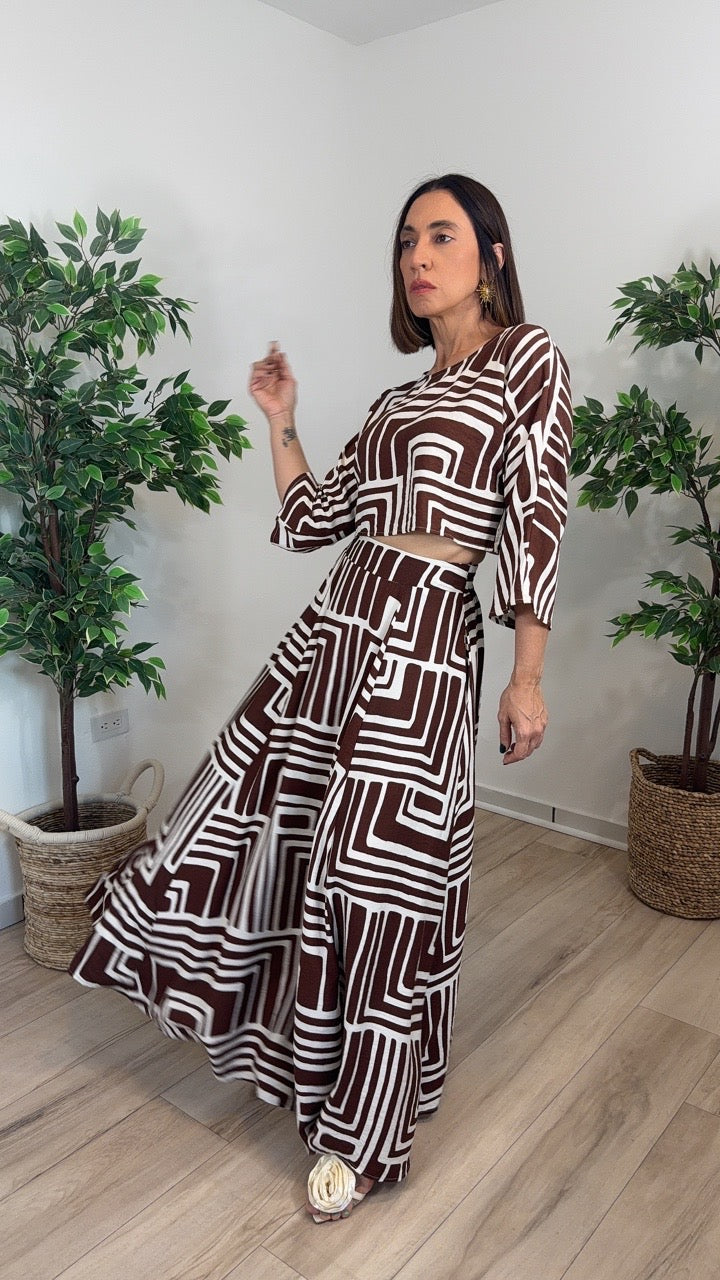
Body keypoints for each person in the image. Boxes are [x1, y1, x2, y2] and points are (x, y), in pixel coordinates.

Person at [70, 173, 572, 1224]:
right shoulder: (396, 403)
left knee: (380, 881)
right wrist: (282, 419)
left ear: (491, 254)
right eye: (406, 241)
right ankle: (279, 1042)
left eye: (441, 235)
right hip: (336, 630)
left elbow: (538, 514)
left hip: (425, 638)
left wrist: (526, 673)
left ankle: (365, 1130)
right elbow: (314, 518)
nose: (417, 256)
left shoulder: (527, 361)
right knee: (254, 816)